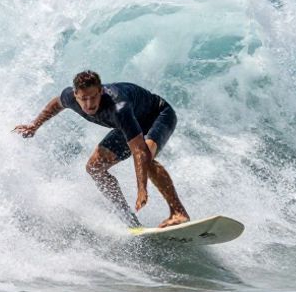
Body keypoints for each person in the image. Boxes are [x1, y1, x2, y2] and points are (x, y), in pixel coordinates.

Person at [14, 70, 191, 228]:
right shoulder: (69, 96)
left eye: (93, 97)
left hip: (158, 115)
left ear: (101, 91)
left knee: (147, 159)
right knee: (94, 168)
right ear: (75, 95)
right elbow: (55, 104)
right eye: (84, 98)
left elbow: (139, 151)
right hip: (128, 125)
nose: (89, 103)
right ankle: (130, 221)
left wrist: (142, 189)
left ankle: (179, 213)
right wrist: (34, 125)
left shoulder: (118, 106)